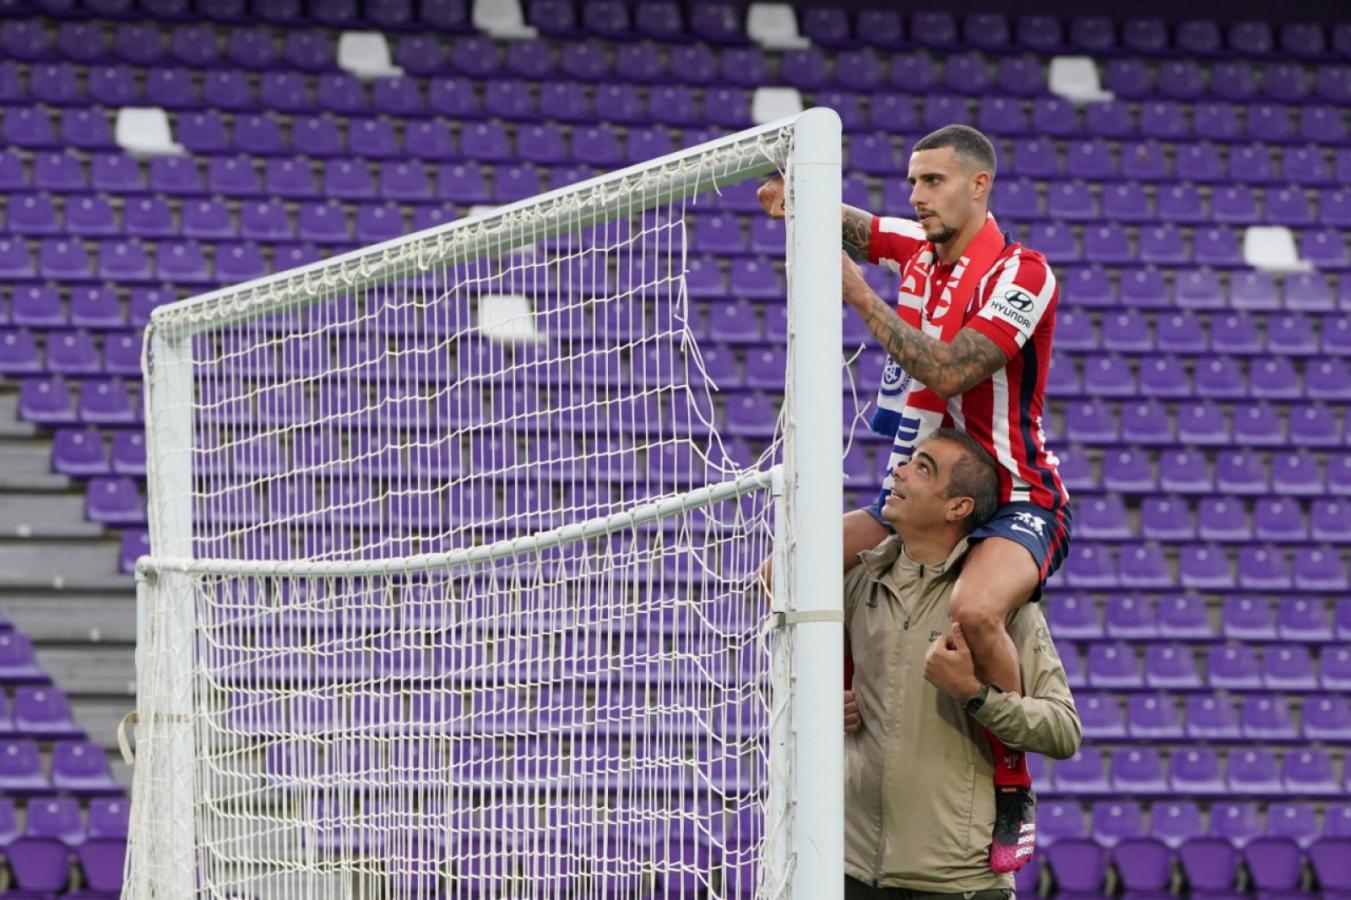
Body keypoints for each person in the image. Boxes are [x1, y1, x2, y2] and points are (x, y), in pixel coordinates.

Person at [759, 124, 1070, 870]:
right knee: (786, 572)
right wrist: (787, 192)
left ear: (977, 184)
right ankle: (841, 701)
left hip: (1013, 493)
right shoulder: (914, 244)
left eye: (931, 182)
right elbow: (855, 225)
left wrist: (859, 297)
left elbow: (952, 369)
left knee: (974, 610)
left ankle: (1009, 781)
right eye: (910, 182)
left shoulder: (1022, 275)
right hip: (921, 488)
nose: (915, 196)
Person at [840, 428, 1081, 896]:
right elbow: (773, 606)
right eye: (907, 461)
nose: (899, 470)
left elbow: (1063, 731)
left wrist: (975, 696)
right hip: (849, 874)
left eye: (923, 467)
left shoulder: (1000, 605)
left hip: (961, 885)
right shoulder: (858, 581)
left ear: (958, 508)